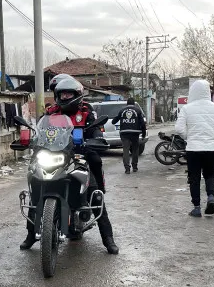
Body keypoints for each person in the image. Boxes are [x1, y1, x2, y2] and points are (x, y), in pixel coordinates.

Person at [20, 77, 119, 254]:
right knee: (35, 188)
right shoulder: (51, 113)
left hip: (80, 155)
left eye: (68, 94)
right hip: (55, 154)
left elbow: (95, 130)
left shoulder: (87, 112)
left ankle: (108, 238)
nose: (65, 97)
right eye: (62, 94)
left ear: (78, 95)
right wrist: (31, 141)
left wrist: (95, 138)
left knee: (95, 193)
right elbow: (41, 132)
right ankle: (30, 234)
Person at [175, 80, 214, 217]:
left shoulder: (187, 109)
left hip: (193, 148)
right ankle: (211, 197)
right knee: (210, 174)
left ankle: (197, 207)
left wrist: (189, 137)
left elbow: (178, 129)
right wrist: (213, 136)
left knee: (194, 177)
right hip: (211, 148)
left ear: (193, 92)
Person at [111, 97, 147, 174]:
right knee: (135, 150)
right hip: (135, 134)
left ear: (127, 103)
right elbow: (142, 124)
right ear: (134, 103)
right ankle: (134, 167)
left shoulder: (122, 111)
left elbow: (114, 121)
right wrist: (143, 133)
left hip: (124, 134)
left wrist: (117, 119)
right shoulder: (137, 111)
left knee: (126, 151)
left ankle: (127, 168)